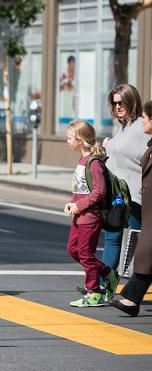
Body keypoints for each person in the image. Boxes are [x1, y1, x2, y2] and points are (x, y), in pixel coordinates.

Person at [64, 120, 119, 307]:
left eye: (69, 138)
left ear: (80, 140)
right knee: (73, 250)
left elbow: (99, 191)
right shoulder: (81, 161)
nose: (67, 141)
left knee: (86, 255)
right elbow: (80, 189)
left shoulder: (94, 163)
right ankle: (107, 273)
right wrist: (72, 203)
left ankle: (94, 292)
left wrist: (79, 206)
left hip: (90, 217)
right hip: (79, 216)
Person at [101, 84, 145, 287]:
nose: (117, 106)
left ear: (131, 100)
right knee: (112, 239)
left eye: (121, 102)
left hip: (134, 196)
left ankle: (130, 291)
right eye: (114, 102)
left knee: (132, 245)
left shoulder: (141, 127)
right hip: (116, 195)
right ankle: (104, 285)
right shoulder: (122, 126)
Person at [111, 100, 152, 316]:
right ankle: (131, 299)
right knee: (147, 253)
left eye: (145, 118)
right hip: (148, 205)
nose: (142, 122)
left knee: (146, 252)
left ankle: (131, 299)